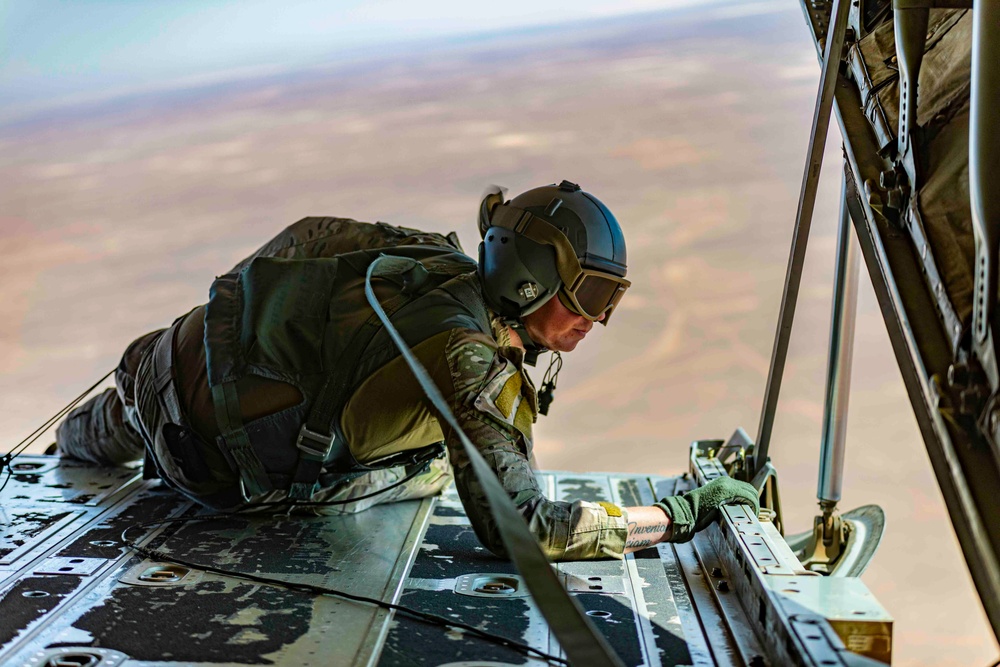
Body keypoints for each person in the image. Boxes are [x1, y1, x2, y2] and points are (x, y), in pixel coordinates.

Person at [55, 180, 759, 560]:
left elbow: (306, 238)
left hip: (151, 373)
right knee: (431, 470)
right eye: (593, 296)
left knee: (94, 433)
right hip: (216, 476)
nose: (595, 320)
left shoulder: (428, 261)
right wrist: (676, 514)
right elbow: (525, 528)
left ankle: (80, 440)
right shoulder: (469, 358)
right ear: (532, 281)